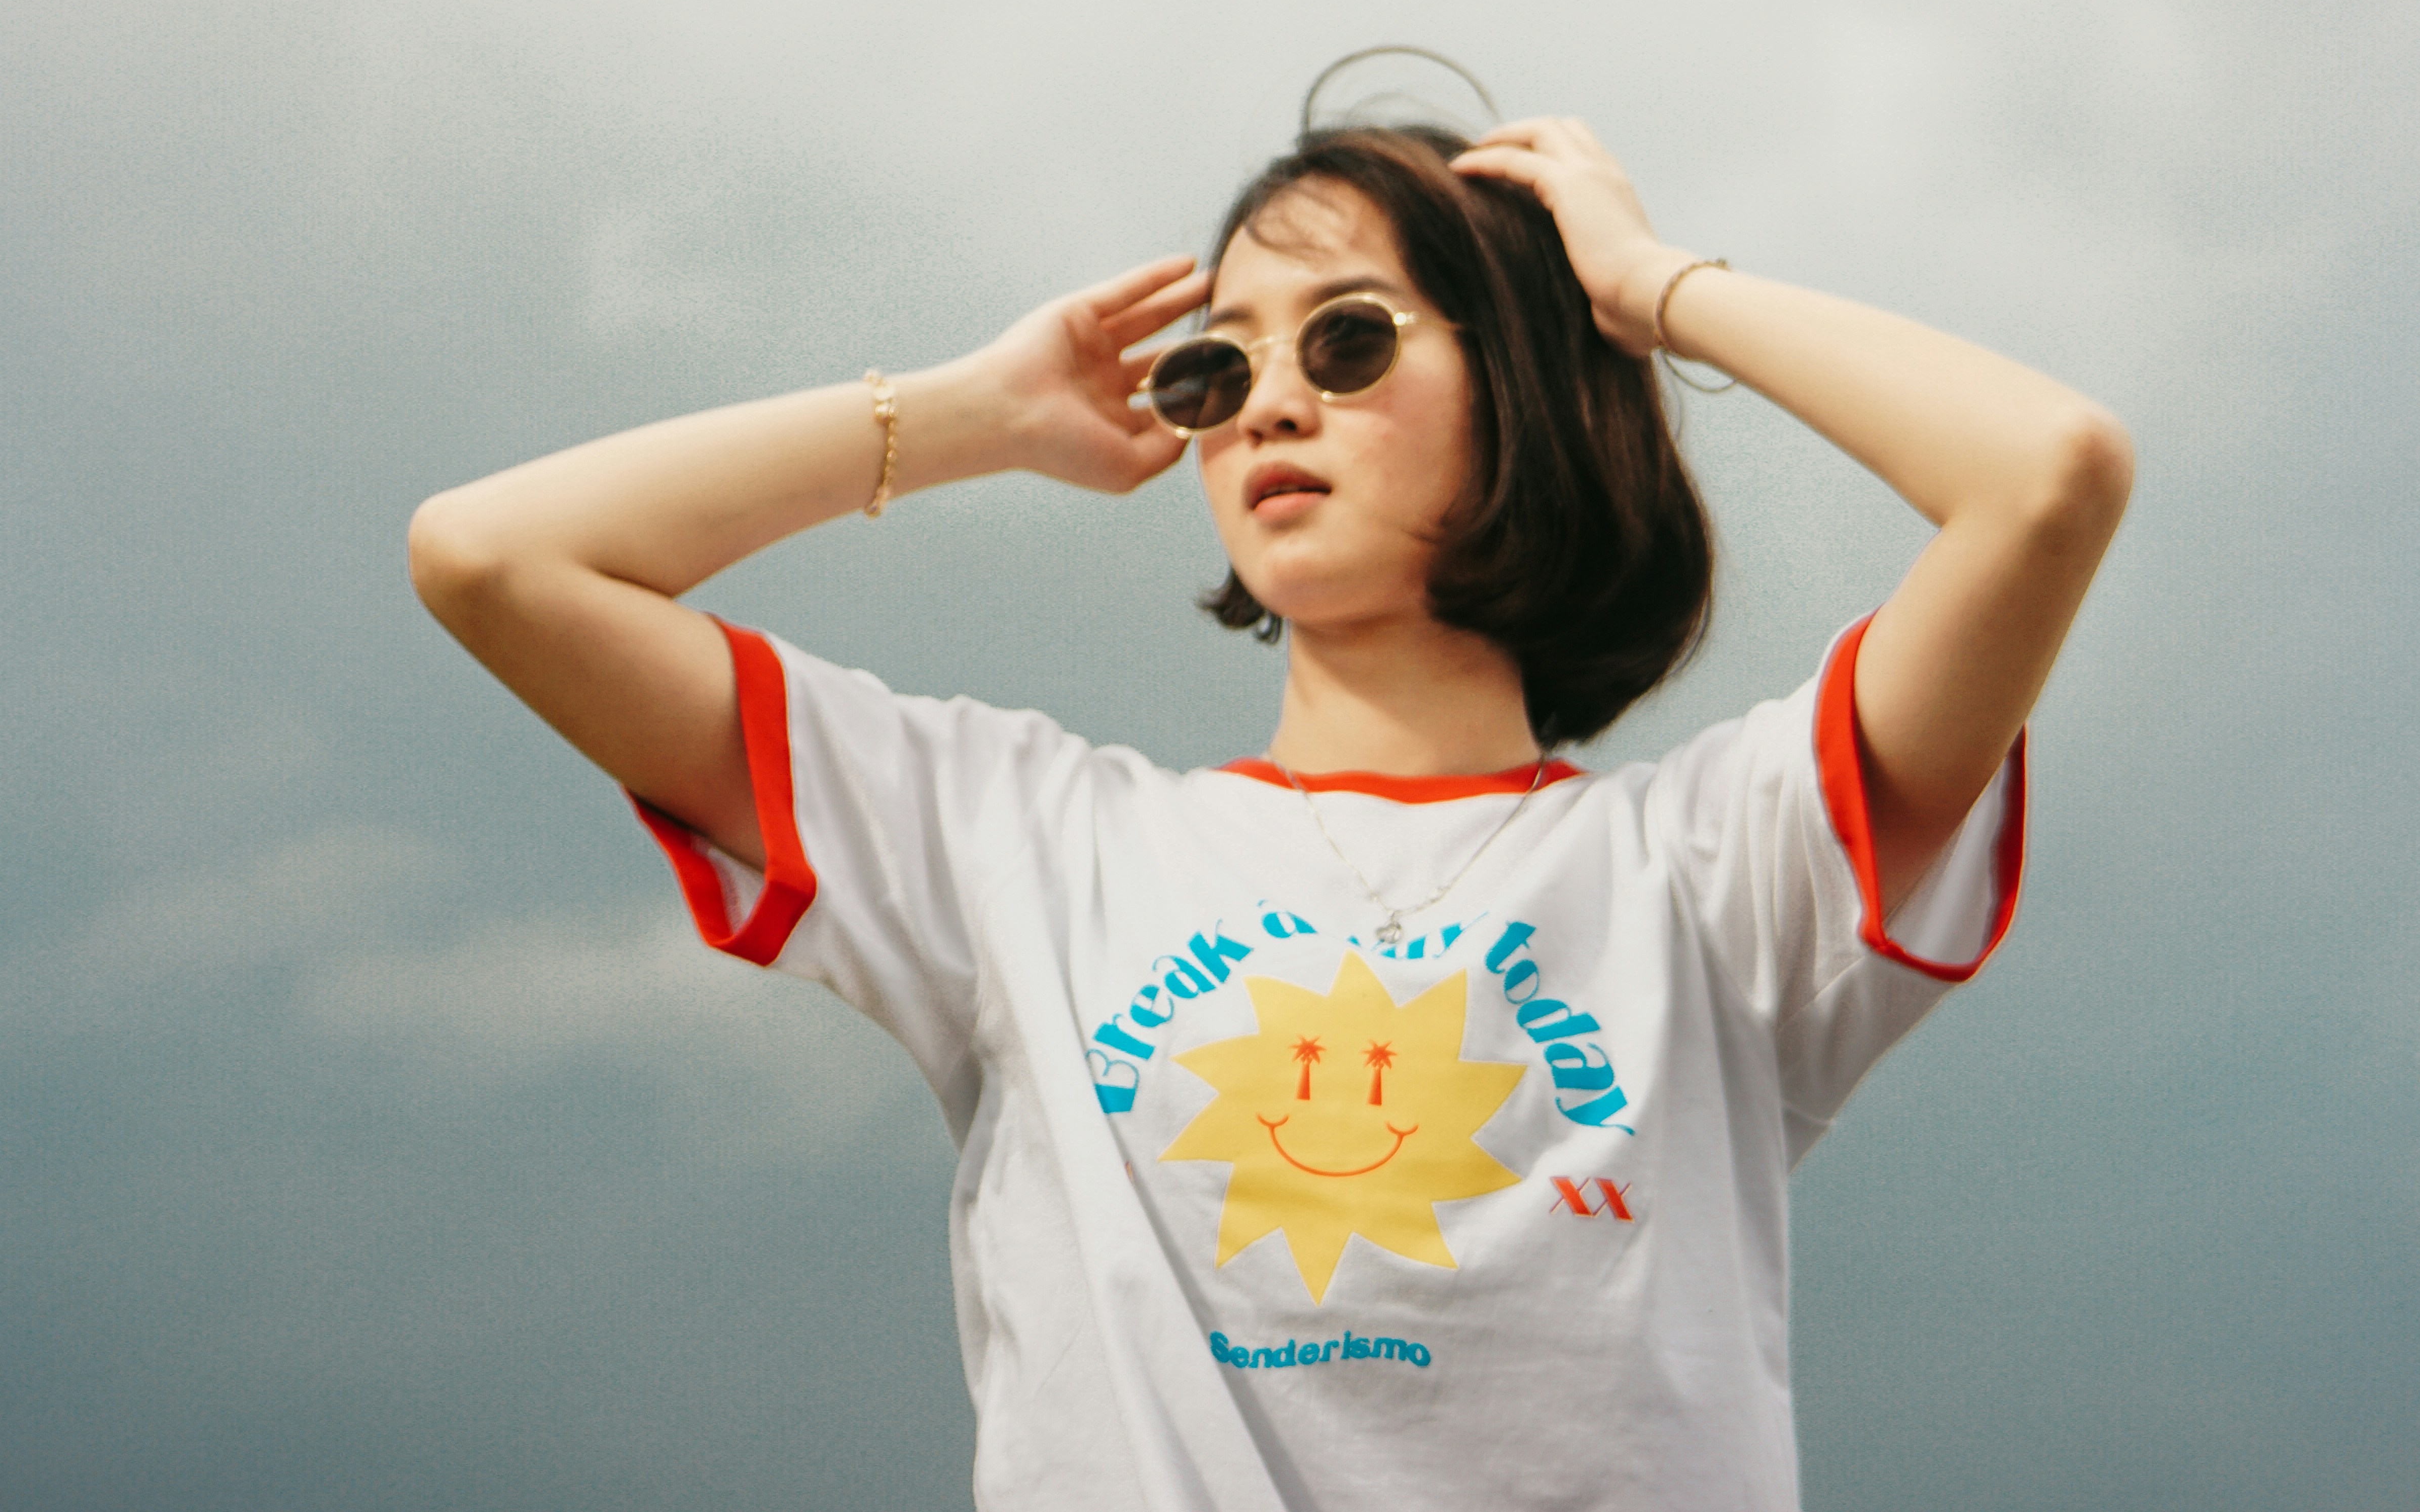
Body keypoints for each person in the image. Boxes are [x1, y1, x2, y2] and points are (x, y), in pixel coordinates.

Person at [408, 97, 2133, 1511]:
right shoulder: (1019, 842)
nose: (1274, 402)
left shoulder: (1716, 869)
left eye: (1353, 337)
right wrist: (965, 418)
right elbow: (495, 558)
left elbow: (2044, 474)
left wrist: (1643, 283)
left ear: (1525, 378)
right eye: (1217, 369)